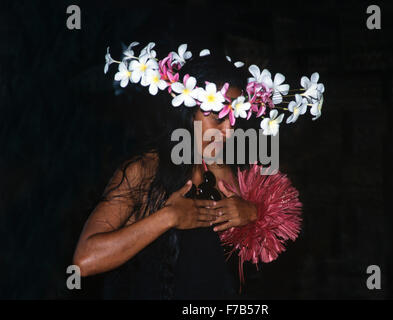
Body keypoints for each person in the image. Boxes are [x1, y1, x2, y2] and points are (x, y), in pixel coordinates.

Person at [73, 52, 259, 299]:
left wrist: (252, 212)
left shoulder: (224, 172)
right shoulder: (143, 170)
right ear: (187, 112)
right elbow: (84, 260)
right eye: (217, 119)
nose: (228, 133)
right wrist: (168, 217)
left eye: (233, 121)